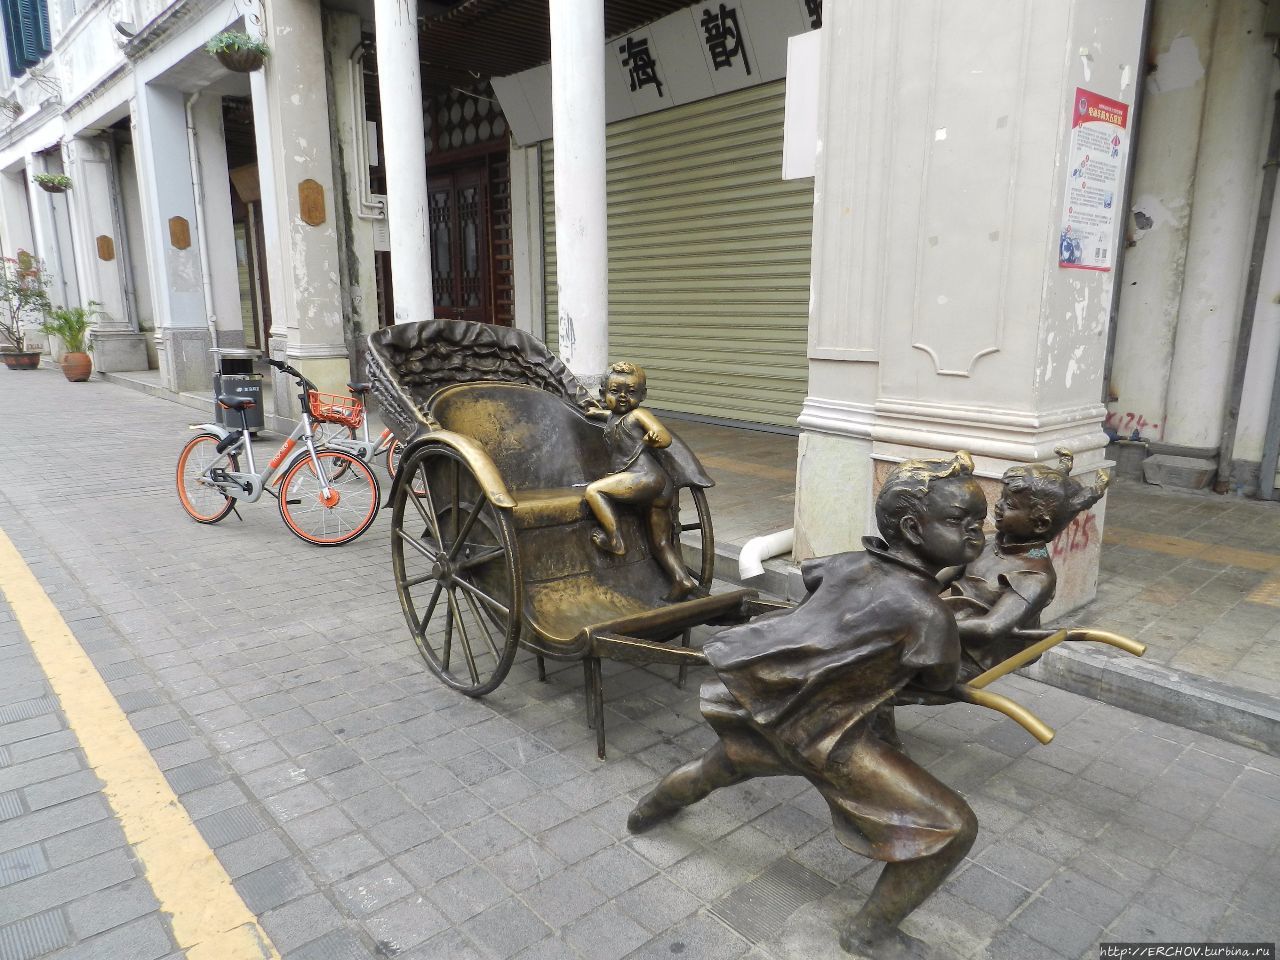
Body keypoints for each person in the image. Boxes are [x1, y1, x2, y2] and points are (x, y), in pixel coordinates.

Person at [627, 452, 988, 959]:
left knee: (714, 768)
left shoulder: (851, 563)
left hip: (773, 707)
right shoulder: (928, 614)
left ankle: (646, 813)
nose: (977, 533)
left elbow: (817, 587)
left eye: (980, 522)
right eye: (961, 522)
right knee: (952, 826)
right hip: (832, 737)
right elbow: (940, 680)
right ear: (912, 527)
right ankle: (869, 934)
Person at [947, 447, 1110, 677]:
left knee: (886, 665)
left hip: (975, 654)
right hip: (947, 629)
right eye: (1003, 498)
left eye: (1011, 505)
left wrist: (923, 623)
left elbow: (990, 627)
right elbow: (939, 578)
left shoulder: (1036, 576)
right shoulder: (991, 542)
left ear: (1041, 524)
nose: (998, 505)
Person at [586, 361, 697, 600]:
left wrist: (658, 435)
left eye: (631, 392)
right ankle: (682, 580)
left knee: (594, 491)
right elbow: (612, 417)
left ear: (643, 395)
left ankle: (614, 540)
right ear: (603, 393)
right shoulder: (615, 416)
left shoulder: (640, 414)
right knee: (660, 543)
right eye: (615, 392)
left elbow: (664, 436)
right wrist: (598, 413)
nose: (623, 397)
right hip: (659, 489)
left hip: (644, 478)